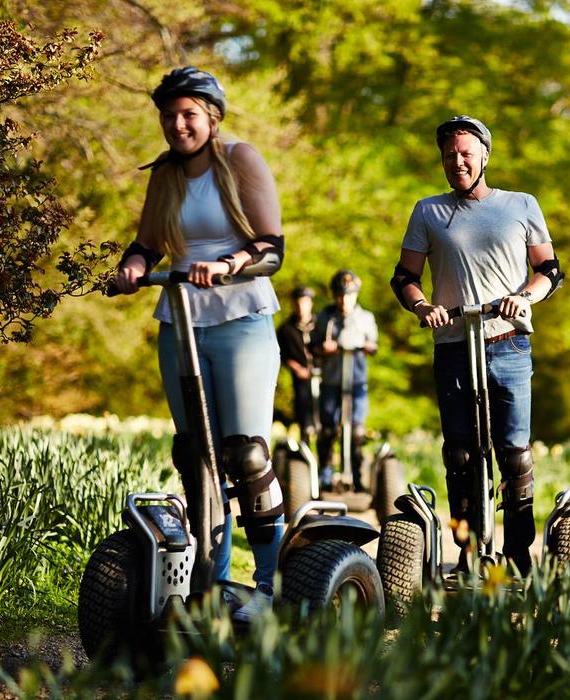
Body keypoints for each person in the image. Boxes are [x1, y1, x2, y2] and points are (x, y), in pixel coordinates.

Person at [114, 66, 285, 621]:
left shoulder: (240, 161)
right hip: (181, 317)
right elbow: (146, 245)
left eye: (188, 114)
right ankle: (209, 585)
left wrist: (231, 262)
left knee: (246, 454)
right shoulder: (163, 175)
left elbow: (273, 249)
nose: (177, 124)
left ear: (212, 117)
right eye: (169, 115)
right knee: (195, 457)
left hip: (240, 315)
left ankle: (268, 585)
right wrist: (133, 268)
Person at [389, 115, 565, 576]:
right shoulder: (428, 211)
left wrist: (522, 297)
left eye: (466, 153)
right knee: (461, 454)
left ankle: (518, 555)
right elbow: (404, 277)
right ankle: (466, 554)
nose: (458, 161)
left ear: (485, 155)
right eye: (450, 155)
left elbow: (550, 270)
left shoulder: (521, 204)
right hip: (452, 345)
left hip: (507, 344)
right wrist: (423, 306)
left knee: (514, 453)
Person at [313, 270, 379, 492]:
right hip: (332, 381)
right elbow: (312, 347)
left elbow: (374, 344)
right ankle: (325, 475)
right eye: (340, 295)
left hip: (356, 383)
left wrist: (369, 346)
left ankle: (357, 477)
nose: (344, 300)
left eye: (348, 295)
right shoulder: (325, 317)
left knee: (357, 431)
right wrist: (323, 348)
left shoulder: (366, 318)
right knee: (329, 429)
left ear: (356, 295)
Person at [277, 286, 318, 441]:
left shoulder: (321, 324)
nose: (302, 307)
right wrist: (297, 368)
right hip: (301, 379)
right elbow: (282, 355)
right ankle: (305, 449)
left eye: (305, 302)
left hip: (324, 377)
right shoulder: (285, 329)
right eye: (298, 303)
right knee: (304, 417)